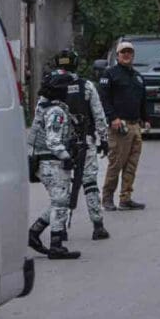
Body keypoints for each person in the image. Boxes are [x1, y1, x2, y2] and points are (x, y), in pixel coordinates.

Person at [51, 49, 110, 241]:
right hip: (85, 141)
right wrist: (104, 139)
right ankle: (98, 225)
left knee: (62, 187)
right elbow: (99, 115)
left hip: (60, 146)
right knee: (90, 182)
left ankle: (60, 229)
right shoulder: (87, 86)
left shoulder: (50, 87)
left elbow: (41, 117)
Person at [26, 70, 82, 260]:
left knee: (60, 201)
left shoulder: (44, 106)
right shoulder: (56, 111)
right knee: (60, 202)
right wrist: (66, 156)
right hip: (51, 161)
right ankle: (56, 245)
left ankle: (34, 233)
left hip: (44, 160)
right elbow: (53, 140)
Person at [98, 41, 149, 211]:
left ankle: (125, 198)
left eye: (129, 52)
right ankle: (107, 198)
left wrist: (145, 119)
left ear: (133, 55)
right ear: (117, 55)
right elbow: (103, 99)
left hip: (135, 126)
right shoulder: (110, 74)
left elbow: (142, 100)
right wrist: (113, 118)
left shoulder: (137, 76)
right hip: (119, 125)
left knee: (131, 165)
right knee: (116, 163)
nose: (126, 55)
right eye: (123, 52)